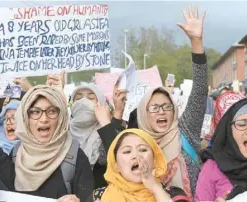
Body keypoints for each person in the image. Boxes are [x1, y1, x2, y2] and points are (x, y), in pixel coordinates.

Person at [135, 5, 208, 197]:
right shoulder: (135, 144)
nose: (162, 111)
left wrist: (196, 42)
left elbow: (200, 90)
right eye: (155, 107)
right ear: (143, 113)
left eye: (167, 106)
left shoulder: (186, 132)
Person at [0, 85, 94, 202]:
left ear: (61, 117)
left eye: (52, 111)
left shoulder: (75, 155)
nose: (44, 119)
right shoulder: (16, 154)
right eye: (35, 112)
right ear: (25, 118)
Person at [93, 129, 190, 202]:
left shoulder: (174, 194)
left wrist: (155, 188)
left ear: (155, 161)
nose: (136, 156)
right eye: (127, 151)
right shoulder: (100, 196)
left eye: (143, 150)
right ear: (116, 165)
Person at [69, 84, 126, 188]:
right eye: (78, 98)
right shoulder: (63, 131)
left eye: (91, 98)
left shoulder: (110, 129)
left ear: (102, 104)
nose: (84, 102)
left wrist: (106, 123)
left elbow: (118, 159)